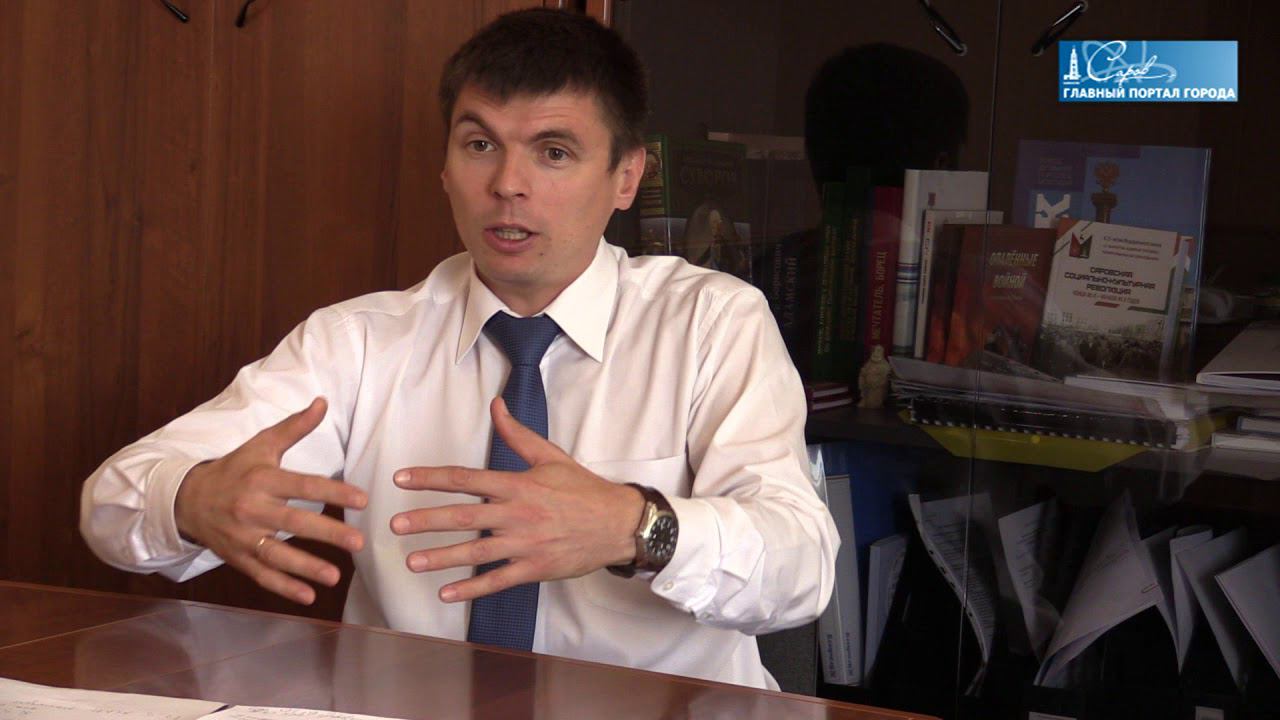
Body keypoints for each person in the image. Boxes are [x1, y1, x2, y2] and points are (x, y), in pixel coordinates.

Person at [80, 8, 836, 690]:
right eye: (480, 144)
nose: (507, 184)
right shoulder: (359, 342)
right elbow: (112, 502)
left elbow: (802, 568)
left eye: (554, 152)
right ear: (446, 168)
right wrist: (192, 500)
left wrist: (633, 527)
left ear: (627, 176)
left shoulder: (711, 323)